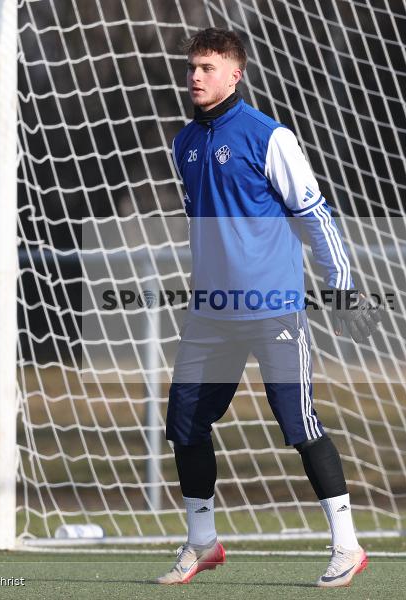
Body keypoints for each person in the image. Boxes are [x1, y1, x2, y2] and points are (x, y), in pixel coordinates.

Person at [157, 27, 381, 588]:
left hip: (272, 309)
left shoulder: (268, 137)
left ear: (235, 74)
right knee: (184, 423)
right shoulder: (185, 142)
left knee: (297, 422)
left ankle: (347, 545)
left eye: (207, 67)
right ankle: (203, 542)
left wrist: (342, 284)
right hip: (211, 314)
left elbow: (314, 212)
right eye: (191, 67)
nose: (195, 76)